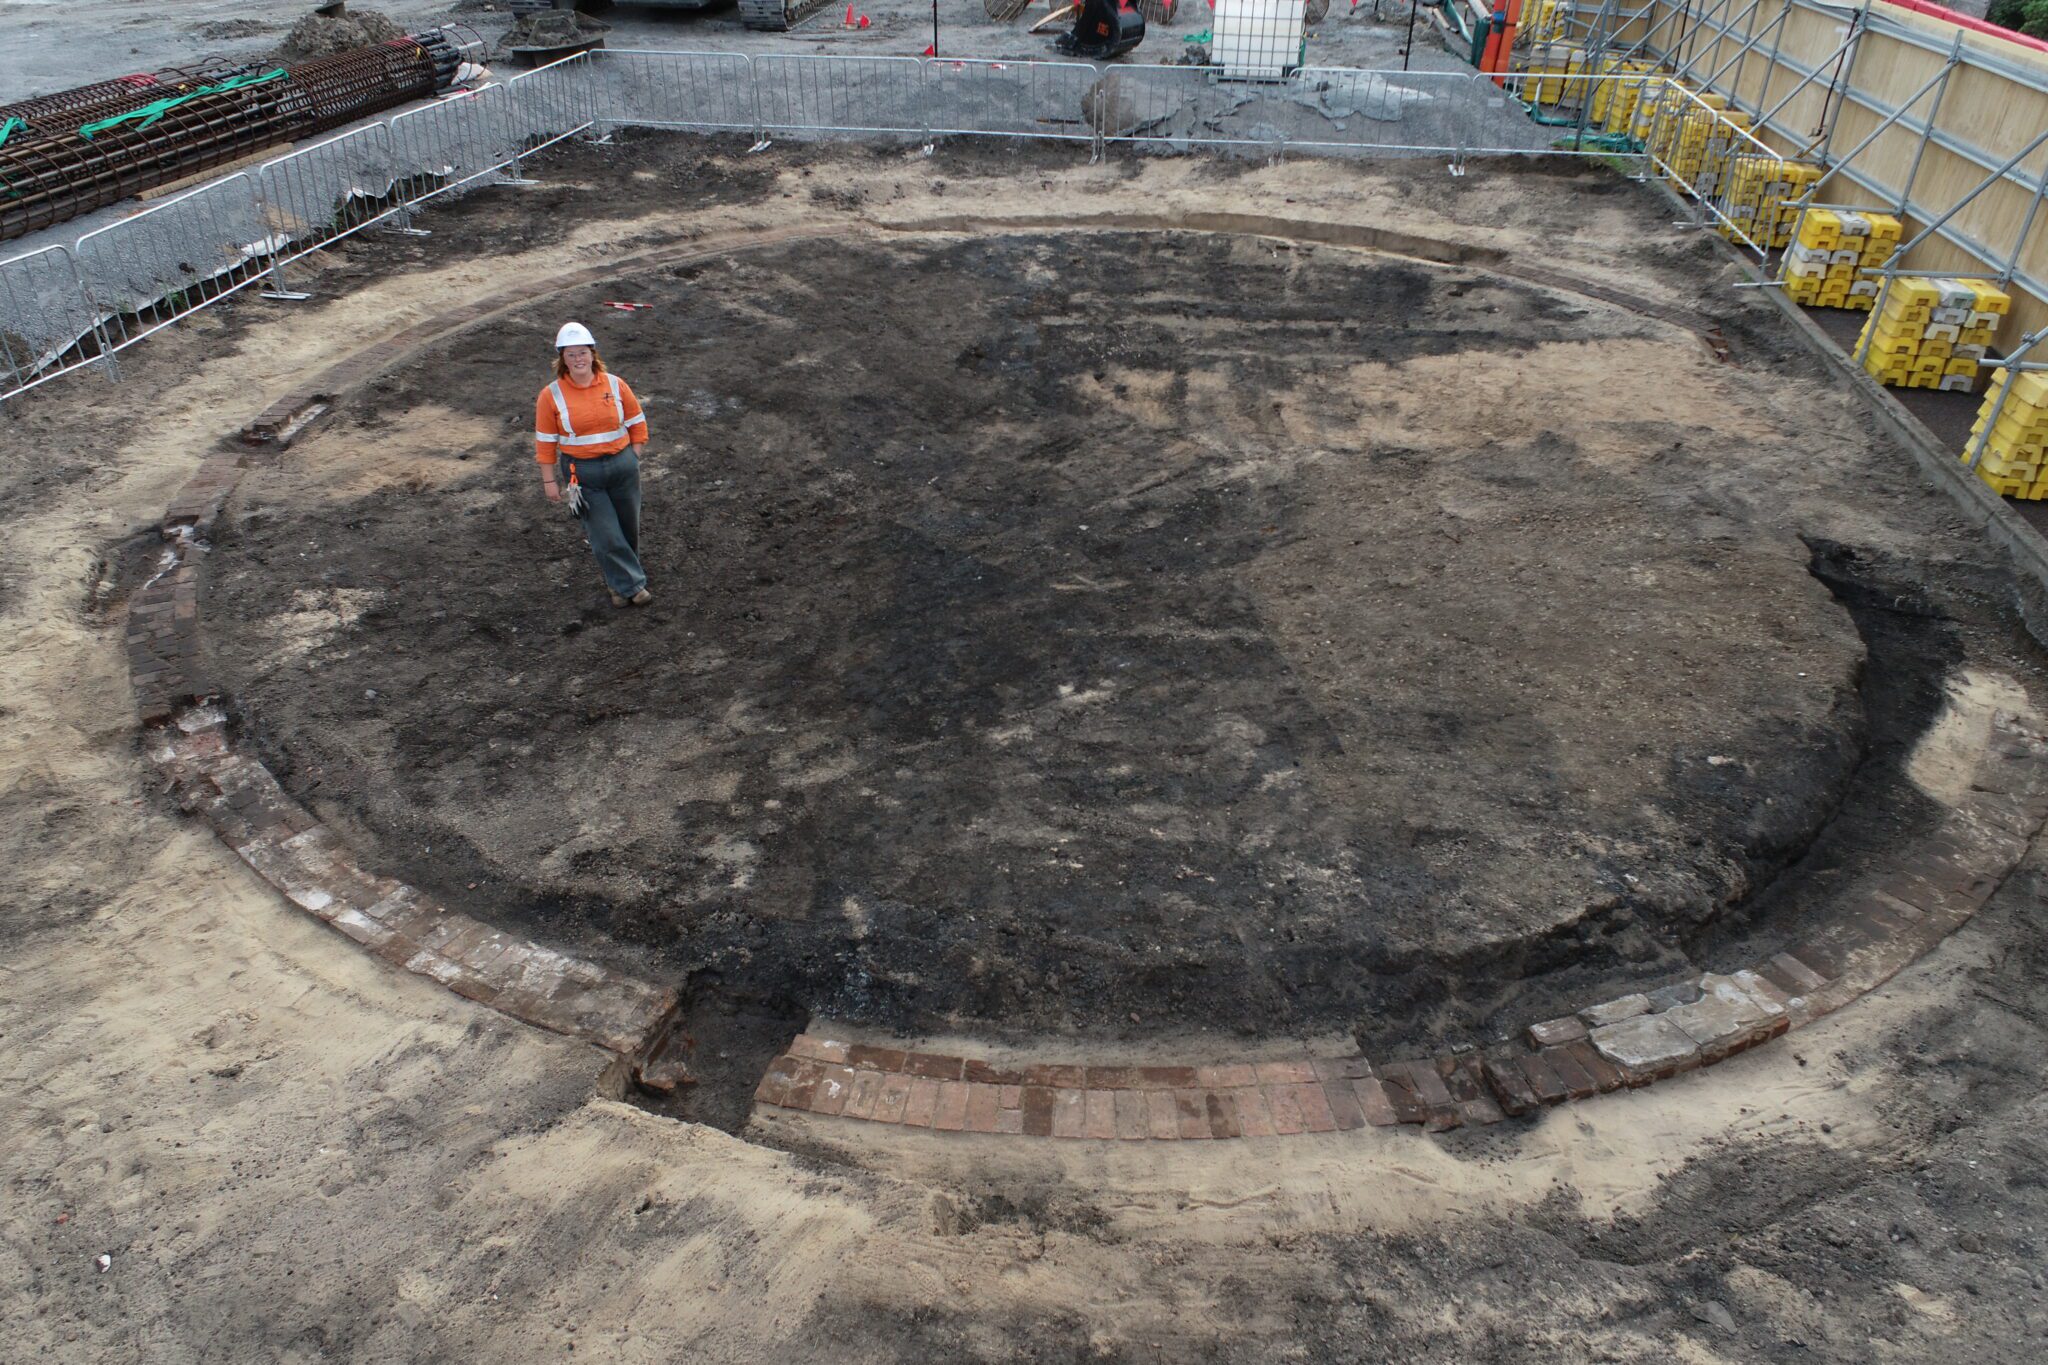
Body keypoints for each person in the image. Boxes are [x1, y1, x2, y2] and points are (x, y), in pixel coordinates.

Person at [535, 321, 653, 607]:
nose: (578, 359)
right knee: (605, 533)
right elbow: (546, 442)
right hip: (583, 474)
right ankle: (634, 587)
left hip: (623, 466)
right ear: (562, 358)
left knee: (627, 528)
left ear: (592, 353)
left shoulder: (615, 384)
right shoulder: (551, 395)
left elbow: (637, 422)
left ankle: (619, 584)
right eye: (571, 354)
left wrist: (632, 456)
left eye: (583, 353)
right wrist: (549, 481)